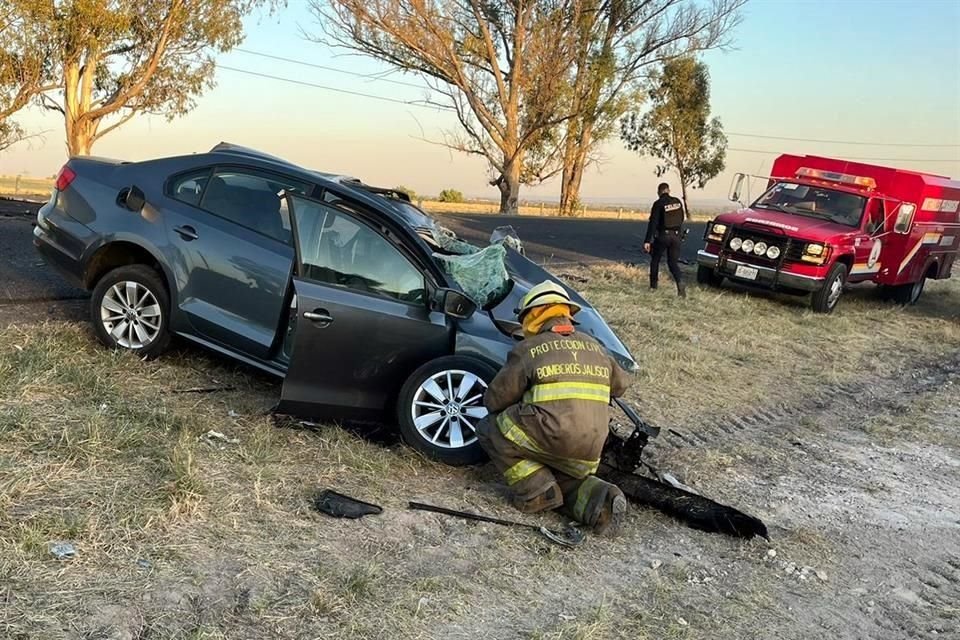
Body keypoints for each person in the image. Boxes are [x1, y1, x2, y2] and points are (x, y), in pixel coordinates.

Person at [476, 280, 632, 536]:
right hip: (592, 447)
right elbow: (621, 385)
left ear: (532, 316)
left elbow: (496, 400)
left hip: (552, 436)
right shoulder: (596, 346)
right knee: (560, 471)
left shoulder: (529, 348)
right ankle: (598, 499)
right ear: (567, 314)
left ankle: (534, 494)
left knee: (490, 427)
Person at [644, 182, 687, 297]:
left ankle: (653, 286)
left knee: (655, 259)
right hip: (676, 236)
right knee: (673, 263)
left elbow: (653, 223)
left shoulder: (658, 204)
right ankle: (680, 283)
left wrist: (647, 240)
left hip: (663, 236)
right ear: (669, 190)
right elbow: (681, 219)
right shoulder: (677, 202)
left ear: (659, 192)